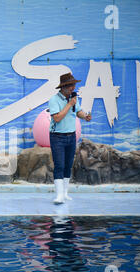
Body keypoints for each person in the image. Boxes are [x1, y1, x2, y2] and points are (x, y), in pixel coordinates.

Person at [49, 73, 92, 204]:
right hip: (57, 137)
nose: (73, 88)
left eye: (74, 85)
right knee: (59, 165)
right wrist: (69, 104)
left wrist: (84, 116)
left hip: (71, 136)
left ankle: (65, 193)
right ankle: (59, 195)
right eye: (71, 85)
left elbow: (77, 111)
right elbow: (57, 118)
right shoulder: (54, 100)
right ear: (64, 87)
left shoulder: (73, 99)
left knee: (68, 165)